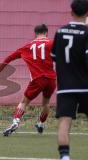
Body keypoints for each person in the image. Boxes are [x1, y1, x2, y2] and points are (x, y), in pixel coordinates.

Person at [0, 24, 56, 136]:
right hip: (51, 79)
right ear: (46, 33)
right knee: (45, 103)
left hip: (37, 79)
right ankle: (41, 124)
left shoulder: (27, 47)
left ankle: (16, 121)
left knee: (24, 102)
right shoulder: (52, 43)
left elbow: (10, 57)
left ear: (35, 34)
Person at [51, 0, 88, 159]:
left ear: (71, 12)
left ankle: (64, 156)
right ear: (87, 13)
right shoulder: (86, 33)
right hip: (85, 86)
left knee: (65, 122)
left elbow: (54, 57)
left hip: (65, 86)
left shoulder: (59, 32)